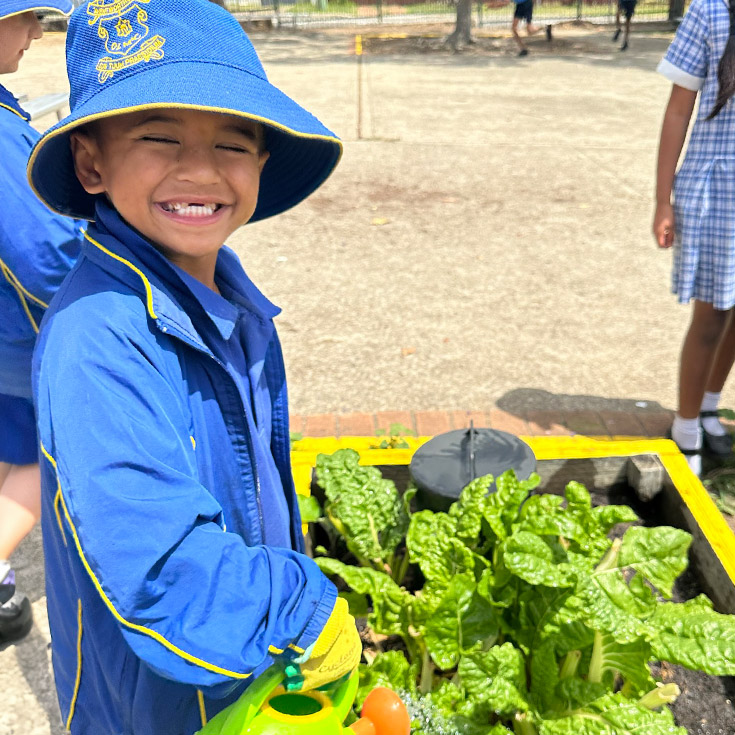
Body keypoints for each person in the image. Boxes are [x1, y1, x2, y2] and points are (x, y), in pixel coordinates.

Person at [27, 0, 361, 732]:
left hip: (241, 683)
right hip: (160, 706)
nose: (201, 170)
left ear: (263, 162)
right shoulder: (99, 337)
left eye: (234, 143)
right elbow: (160, 569)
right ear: (90, 161)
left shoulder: (227, 296)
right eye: (158, 136)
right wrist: (303, 607)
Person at [0, 0, 81, 644]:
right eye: (23, 20)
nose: (34, 35)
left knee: (7, 444)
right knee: (40, 454)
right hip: (21, 332)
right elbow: (40, 257)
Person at [653, 0, 735, 476]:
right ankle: (685, 429)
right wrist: (662, 199)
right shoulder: (709, 12)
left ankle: (708, 405)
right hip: (718, 187)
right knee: (712, 313)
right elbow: (677, 110)